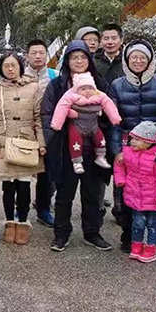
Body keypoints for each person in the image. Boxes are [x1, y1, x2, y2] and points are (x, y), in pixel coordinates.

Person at [42, 40, 112, 252]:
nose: (79, 61)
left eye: (82, 57)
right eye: (74, 57)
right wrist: (49, 139)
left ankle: (92, 232)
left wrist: (100, 120)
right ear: (67, 61)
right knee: (64, 194)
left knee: (92, 193)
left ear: (89, 60)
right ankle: (61, 233)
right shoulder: (57, 85)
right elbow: (47, 113)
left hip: (94, 148)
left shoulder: (99, 83)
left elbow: (110, 108)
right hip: (66, 147)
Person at [107, 39, 156, 257]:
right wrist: (116, 150)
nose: (138, 61)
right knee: (127, 192)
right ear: (127, 60)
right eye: (134, 57)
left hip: (155, 149)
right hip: (128, 148)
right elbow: (114, 121)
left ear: (150, 60)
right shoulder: (117, 85)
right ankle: (129, 236)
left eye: (142, 57)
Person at [0, 50, 46, 245]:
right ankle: (9, 222)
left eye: (13, 65)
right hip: (4, 143)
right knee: (8, 186)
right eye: (6, 66)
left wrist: (42, 143)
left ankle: (23, 222)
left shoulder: (34, 88)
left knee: (24, 184)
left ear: (20, 66)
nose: (10, 69)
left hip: (27, 142)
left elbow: (39, 117)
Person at [113, 121, 156, 263]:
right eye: (132, 138)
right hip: (135, 196)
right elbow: (119, 165)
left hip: (153, 199)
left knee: (152, 224)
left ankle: (151, 249)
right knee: (137, 223)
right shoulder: (127, 153)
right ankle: (136, 246)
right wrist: (120, 180)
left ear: (148, 143)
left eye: (137, 140)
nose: (133, 142)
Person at [49, 72, 121, 174]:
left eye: (90, 88)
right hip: (77, 125)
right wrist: (57, 123)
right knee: (75, 142)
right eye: (83, 89)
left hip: (93, 125)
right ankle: (77, 162)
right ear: (77, 89)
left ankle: (100, 157)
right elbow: (62, 106)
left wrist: (115, 118)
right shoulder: (71, 95)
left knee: (100, 139)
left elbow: (108, 104)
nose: (87, 91)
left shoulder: (99, 94)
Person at [24, 39, 58, 227]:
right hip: (24, 130)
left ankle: (43, 208)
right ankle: (20, 208)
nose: (38, 56)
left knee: (47, 173)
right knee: (21, 172)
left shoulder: (55, 76)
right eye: (34, 53)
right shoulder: (18, 75)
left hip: (49, 130)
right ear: (27, 56)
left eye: (41, 53)